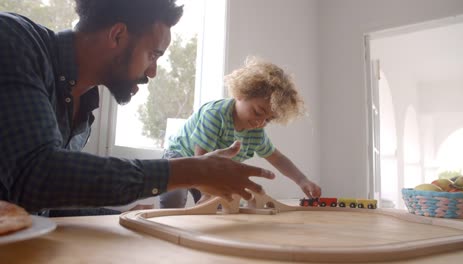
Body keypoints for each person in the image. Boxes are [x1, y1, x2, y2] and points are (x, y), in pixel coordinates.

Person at [0, 0, 275, 216]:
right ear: (118, 35)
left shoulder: (84, 104)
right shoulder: (14, 40)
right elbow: (35, 176)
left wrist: (116, 217)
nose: (153, 71)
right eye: (153, 54)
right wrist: (190, 171)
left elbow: (46, 204)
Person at [159, 57, 321, 209]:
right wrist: (206, 193)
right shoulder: (215, 115)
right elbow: (201, 160)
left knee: (224, 204)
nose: (260, 122)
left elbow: (277, 158)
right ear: (241, 94)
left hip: (211, 167)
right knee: (174, 197)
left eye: (268, 120)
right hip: (182, 156)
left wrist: (302, 180)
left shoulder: (256, 132)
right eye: (258, 112)